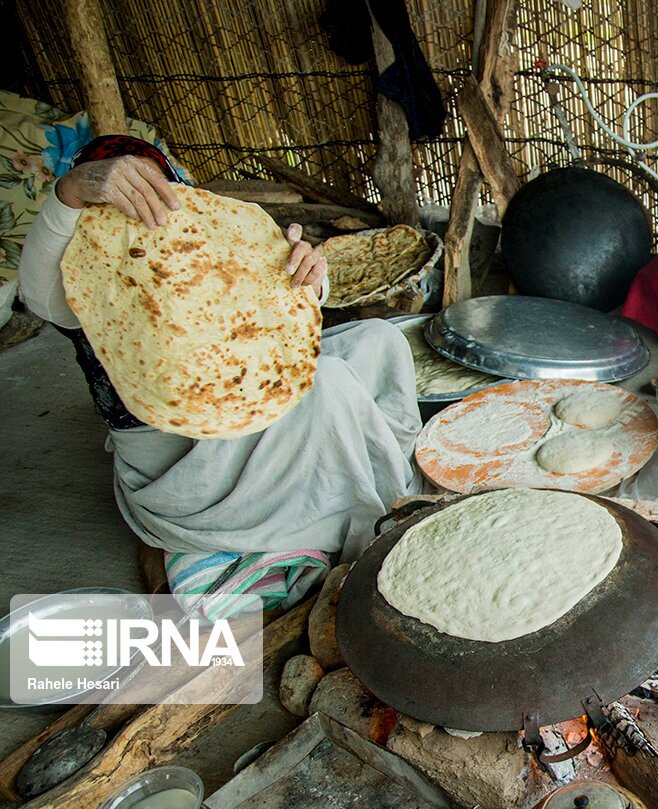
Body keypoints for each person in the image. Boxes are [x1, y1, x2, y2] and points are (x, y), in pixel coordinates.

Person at [19, 135, 423, 564]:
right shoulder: (78, 273)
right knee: (329, 385)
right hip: (181, 461)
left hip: (240, 395)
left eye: (155, 191)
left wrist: (305, 274)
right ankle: (371, 517)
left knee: (380, 339)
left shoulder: (199, 248)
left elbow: (274, 308)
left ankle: (389, 472)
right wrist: (71, 193)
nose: (140, 211)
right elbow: (36, 289)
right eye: (123, 195)